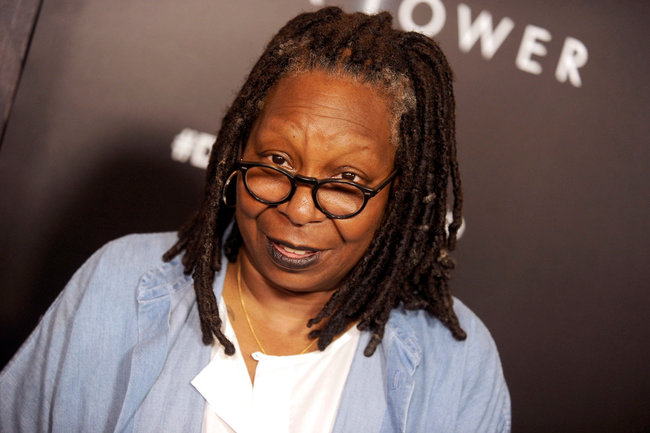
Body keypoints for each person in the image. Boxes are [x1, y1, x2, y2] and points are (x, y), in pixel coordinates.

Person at [0, 6, 510, 432]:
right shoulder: (121, 284)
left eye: (346, 182)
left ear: (397, 197)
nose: (298, 208)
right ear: (237, 151)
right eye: (277, 162)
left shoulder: (456, 366)